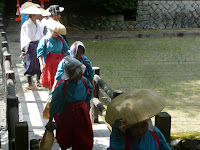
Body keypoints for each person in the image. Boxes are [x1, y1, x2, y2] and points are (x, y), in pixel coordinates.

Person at [46, 57, 94, 150]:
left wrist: (86, 104)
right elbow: (55, 103)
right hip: (67, 114)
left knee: (83, 137)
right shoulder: (63, 87)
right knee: (65, 136)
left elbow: (90, 92)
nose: (80, 74)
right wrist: (50, 119)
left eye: (80, 71)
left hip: (81, 112)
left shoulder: (84, 81)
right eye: (78, 72)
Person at [106, 89, 172, 150]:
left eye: (143, 125)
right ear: (129, 126)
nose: (140, 131)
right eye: (135, 127)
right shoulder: (119, 137)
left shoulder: (155, 133)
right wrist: (118, 139)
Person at [37, 19, 70, 92]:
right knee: (51, 80)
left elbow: (67, 50)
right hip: (49, 62)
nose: (57, 33)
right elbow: (40, 52)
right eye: (55, 31)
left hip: (60, 61)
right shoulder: (45, 39)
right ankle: (51, 94)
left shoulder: (61, 39)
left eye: (58, 32)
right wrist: (41, 65)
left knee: (60, 79)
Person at [20, 6, 44, 90]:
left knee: (39, 62)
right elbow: (24, 38)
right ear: (33, 15)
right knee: (30, 64)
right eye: (37, 14)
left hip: (38, 44)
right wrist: (23, 50)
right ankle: (30, 83)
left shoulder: (38, 23)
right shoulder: (26, 24)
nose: (38, 15)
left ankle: (38, 80)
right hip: (30, 45)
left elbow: (41, 34)